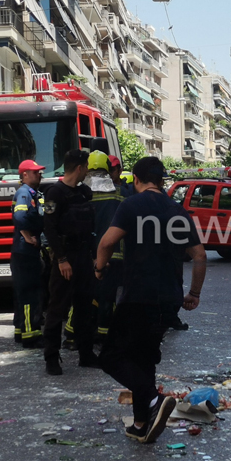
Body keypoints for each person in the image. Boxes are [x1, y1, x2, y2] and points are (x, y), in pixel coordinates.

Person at [95, 156, 207, 444]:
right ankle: (141, 424)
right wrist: (193, 293)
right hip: (168, 299)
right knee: (143, 359)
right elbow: (199, 255)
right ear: (161, 180)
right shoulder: (177, 211)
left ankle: (154, 400)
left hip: (138, 297)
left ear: (136, 178)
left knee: (110, 357)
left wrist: (99, 267)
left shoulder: (131, 205)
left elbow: (107, 242)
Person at [42, 149, 96, 376]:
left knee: (85, 308)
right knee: (57, 309)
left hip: (84, 256)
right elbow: (49, 228)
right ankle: (52, 359)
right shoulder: (55, 193)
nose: (87, 173)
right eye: (86, 168)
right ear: (79, 168)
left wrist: (94, 257)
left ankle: (86, 354)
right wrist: (62, 259)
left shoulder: (84, 192)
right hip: (65, 257)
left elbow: (91, 227)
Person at [86, 151, 123, 343]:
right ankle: (104, 334)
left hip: (89, 254)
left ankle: (73, 333)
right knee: (107, 297)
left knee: (88, 295)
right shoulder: (119, 194)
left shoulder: (82, 194)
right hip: (114, 253)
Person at [10, 160, 47, 347]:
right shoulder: (24, 193)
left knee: (22, 293)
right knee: (29, 294)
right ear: (25, 174)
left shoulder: (32, 194)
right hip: (25, 252)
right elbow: (19, 217)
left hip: (23, 252)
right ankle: (30, 335)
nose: (39, 175)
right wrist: (29, 236)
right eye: (35, 172)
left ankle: (20, 330)